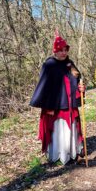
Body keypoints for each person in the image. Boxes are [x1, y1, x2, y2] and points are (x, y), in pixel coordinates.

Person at [30, 33, 85, 165]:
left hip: (70, 105)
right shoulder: (49, 65)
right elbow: (44, 86)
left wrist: (81, 88)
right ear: (55, 51)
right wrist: (46, 105)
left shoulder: (70, 64)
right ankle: (57, 155)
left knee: (71, 129)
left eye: (65, 50)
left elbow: (78, 80)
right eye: (61, 50)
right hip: (55, 106)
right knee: (58, 130)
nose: (64, 53)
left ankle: (72, 153)